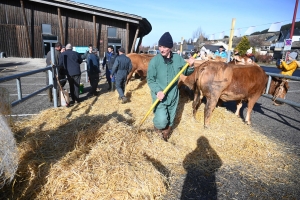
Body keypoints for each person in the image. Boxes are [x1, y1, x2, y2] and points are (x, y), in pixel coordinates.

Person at [147, 32, 195, 141]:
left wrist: (191, 65)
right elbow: (150, 79)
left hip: (173, 94)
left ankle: (165, 134)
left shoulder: (177, 59)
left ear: (170, 47)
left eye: (164, 47)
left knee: (170, 119)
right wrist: (158, 91)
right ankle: (157, 127)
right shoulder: (155, 61)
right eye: (160, 46)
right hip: (159, 95)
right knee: (162, 120)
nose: (161, 49)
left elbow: (186, 71)